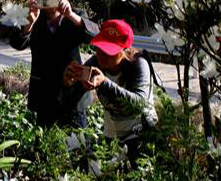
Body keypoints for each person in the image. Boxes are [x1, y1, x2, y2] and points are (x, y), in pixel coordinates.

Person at [63, 19, 158, 157]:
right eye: (99, 48)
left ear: (124, 50)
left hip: (140, 134)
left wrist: (104, 83)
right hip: (113, 136)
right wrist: (68, 84)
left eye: (108, 51)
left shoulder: (139, 64)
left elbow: (139, 104)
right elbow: (69, 103)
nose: (101, 55)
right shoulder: (96, 62)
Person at [10, 0, 97, 128]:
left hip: (72, 92)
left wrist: (71, 15)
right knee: (46, 144)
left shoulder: (75, 16)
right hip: (44, 93)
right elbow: (17, 43)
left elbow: (94, 36)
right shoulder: (33, 17)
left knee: (78, 143)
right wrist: (28, 24)